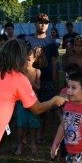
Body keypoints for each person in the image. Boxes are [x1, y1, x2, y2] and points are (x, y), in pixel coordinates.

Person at [24, 13, 60, 144]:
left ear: (48, 24)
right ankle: (26, 134)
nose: (43, 25)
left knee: (44, 107)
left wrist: (54, 78)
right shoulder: (28, 39)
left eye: (45, 22)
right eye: (40, 22)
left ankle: (40, 134)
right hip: (29, 80)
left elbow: (54, 62)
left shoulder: (51, 42)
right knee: (27, 106)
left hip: (46, 79)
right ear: (35, 23)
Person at [53, 63, 82, 163]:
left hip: (80, 130)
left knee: (79, 155)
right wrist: (61, 116)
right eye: (67, 76)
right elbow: (59, 108)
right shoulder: (63, 92)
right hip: (66, 129)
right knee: (63, 154)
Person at [15, 46, 41, 156]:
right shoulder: (18, 72)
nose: (27, 62)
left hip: (33, 101)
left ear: (34, 59)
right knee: (21, 125)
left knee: (33, 124)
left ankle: (33, 144)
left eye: (30, 59)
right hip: (21, 102)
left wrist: (29, 80)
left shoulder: (37, 71)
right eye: (25, 59)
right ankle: (21, 144)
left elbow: (38, 87)